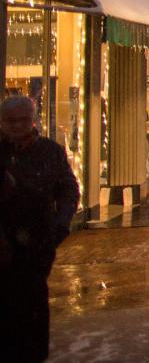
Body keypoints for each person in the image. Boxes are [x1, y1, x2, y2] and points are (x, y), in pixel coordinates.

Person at [0, 95, 80, 362]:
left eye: (23, 120)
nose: (17, 126)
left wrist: (59, 227)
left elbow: (68, 190)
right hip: (3, 241)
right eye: (11, 121)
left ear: (33, 120)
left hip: (36, 240)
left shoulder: (49, 152)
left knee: (32, 299)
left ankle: (32, 354)